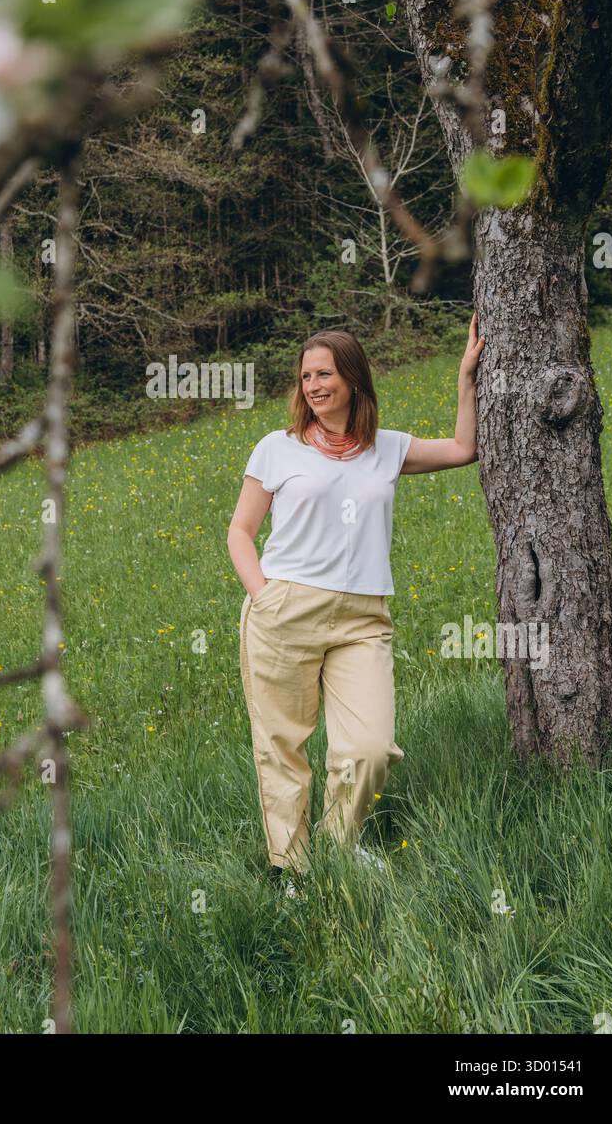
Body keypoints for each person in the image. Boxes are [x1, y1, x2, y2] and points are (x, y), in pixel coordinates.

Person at [227, 316, 484, 886]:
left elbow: (465, 448)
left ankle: (338, 843)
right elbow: (240, 533)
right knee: (282, 746)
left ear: (353, 378)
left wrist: (465, 376)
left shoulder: (386, 449)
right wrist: (264, 599)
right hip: (284, 609)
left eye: (325, 373)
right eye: (306, 376)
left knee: (369, 748)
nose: (313, 385)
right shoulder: (277, 449)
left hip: (364, 618)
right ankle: (288, 868)